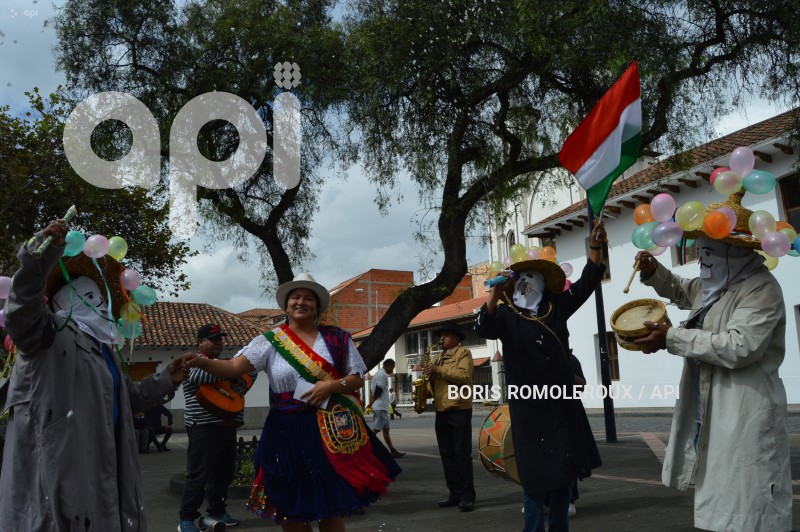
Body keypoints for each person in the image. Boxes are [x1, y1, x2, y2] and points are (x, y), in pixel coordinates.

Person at [0, 218, 192, 532]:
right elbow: (21, 308)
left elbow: (129, 397)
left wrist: (167, 378)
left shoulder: (106, 350)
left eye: (99, 297)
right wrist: (40, 258)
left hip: (108, 462)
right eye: (86, 296)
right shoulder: (46, 335)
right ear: (62, 302)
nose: (99, 304)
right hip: (61, 469)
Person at [186, 273, 401, 532]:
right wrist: (200, 362)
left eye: (308, 298)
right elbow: (232, 367)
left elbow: (356, 378)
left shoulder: (336, 338)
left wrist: (330, 386)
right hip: (285, 431)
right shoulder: (269, 341)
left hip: (328, 429)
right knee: (290, 506)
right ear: (286, 306)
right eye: (295, 297)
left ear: (317, 307)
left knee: (330, 503)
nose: (301, 302)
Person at [633, 201, 792, 531]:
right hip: (713, 410)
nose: (701, 261)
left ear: (733, 252)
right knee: (722, 498)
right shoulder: (716, 286)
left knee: (749, 503)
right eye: (699, 252)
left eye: (708, 253)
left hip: (744, 411)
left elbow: (739, 346)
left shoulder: (760, 289)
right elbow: (682, 290)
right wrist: (653, 272)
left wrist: (672, 338)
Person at [475, 222, 606, 532]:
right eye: (520, 279)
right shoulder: (506, 315)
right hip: (529, 411)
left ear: (543, 283)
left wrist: (595, 248)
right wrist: (494, 294)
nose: (526, 283)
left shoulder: (556, 307)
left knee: (562, 476)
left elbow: (587, 283)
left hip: (561, 408)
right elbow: (483, 327)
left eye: (532, 277)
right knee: (534, 482)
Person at [179, 323, 257, 532]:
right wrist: (233, 370)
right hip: (202, 427)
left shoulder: (225, 365)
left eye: (220, 339)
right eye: (213, 339)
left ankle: (217, 511)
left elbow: (248, 378)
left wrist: (238, 370)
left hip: (227, 426)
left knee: (224, 473)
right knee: (198, 475)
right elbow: (205, 376)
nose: (218, 343)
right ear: (200, 342)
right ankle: (186, 518)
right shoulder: (194, 362)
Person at [423, 321, 475, 512]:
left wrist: (437, 370)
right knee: (447, 454)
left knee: (462, 454)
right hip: (441, 409)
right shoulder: (437, 357)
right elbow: (437, 383)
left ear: (456, 338)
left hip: (459, 408)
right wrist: (424, 389)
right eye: (441, 336)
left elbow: (464, 376)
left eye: (445, 335)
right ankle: (455, 493)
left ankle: (467, 495)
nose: (441, 339)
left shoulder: (463, 353)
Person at [367, 359, 406, 458]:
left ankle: (392, 450)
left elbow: (374, 390)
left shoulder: (378, 374)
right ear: (388, 365)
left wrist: (372, 401)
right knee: (376, 429)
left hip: (383, 407)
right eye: (392, 368)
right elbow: (378, 390)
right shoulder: (383, 375)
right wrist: (371, 402)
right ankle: (364, 448)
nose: (392, 370)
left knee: (386, 429)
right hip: (380, 407)